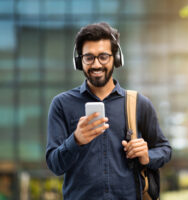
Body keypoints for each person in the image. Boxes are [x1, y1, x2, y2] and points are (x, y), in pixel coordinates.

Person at [46, 22, 172, 200]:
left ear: (116, 58)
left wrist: (147, 155)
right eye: (89, 57)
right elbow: (54, 164)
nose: (96, 64)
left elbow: (165, 149)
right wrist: (75, 140)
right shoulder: (61, 104)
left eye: (103, 56)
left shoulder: (138, 103)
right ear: (79, 61)